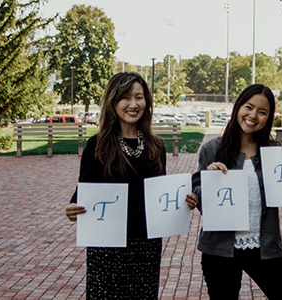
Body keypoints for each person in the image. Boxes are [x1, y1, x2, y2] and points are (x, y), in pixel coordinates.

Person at [64, 72, 198, 299]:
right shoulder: (97, 145)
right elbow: (84, 192)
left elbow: (160, 195)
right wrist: (73, 208)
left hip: (146, 245)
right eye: (126, 97)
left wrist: (185, 202)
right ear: (113, 102)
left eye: (139, 97)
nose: (134, 104)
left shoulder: (156, 146)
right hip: (107, 246)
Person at [190, 84, 282, 300]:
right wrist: (210, 181)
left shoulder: (272, 152)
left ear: (268, 118)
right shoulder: (212, 149)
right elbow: (199, 200)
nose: (253, 116)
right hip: (219, 249)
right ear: (237, 108)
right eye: (248, 107)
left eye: (262, 112)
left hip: (263, 246)